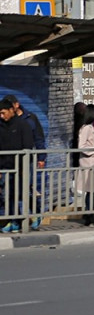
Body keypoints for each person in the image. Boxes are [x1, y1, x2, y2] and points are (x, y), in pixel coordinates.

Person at [8, 95, 46, 229]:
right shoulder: (7, 120)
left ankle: (35, 214)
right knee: (11, 189)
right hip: (11, 161)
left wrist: (41, 158)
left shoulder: (30, 118)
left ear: (16, 105)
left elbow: (39, 138)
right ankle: (15, 220)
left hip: (26, 160)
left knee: (27, 188)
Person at [1, 97, 36, 233]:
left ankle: (28, 216)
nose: (2, 116)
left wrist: (22, 167)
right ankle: (13, 220)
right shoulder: (1, 126)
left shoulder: (23, 125)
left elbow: (27, 146)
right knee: (7, 195)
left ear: (11, 110)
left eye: (3, 113)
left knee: (21, 194)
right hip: (6, 167)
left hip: (20, 168)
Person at [75, 104, 94, 226]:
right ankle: (89, 214)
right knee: (91, 191)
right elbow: (81, 146)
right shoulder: (86, 128)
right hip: (89, 163)